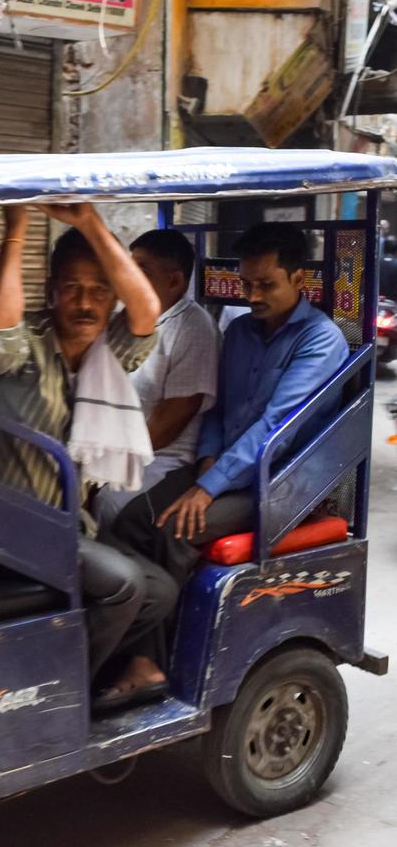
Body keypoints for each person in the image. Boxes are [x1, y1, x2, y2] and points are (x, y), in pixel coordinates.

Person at [0, 203, 177, 710]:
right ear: (51, 292)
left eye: (98, 291)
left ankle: (78, 665)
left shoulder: (111, 353)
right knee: (126, 586)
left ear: (111, 299)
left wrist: (90, 223)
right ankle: (52, 698)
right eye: (71, 289)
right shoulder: (25, 349)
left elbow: (147, 310)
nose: (85, 303)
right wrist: (16, 229)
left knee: (162, 590)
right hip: (9, 529)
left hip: (67, 528)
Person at [114, 222, 350, 586]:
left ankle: (175, 636)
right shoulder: (240, 332)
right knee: (132, 519)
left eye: (266, 285)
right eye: (246, 284)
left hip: (280, 481)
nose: (253, 296)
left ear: (298, 279)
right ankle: (142, 632)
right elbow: (218, 408)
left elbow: (276, 427)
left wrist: (209, 486)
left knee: (177, 530)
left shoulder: (320, 340)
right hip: (226, 467)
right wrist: (208, 462)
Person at [93, 229, 220, 530]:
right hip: (110, 445)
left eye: (141, 272)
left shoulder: (194, 328)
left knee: (108, 502)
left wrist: (109, 465)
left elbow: (172, 419)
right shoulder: (122, 319)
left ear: (174, 281)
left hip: (161, 458)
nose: (128, 279)